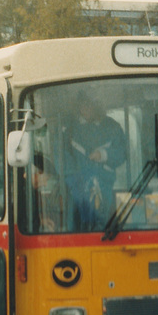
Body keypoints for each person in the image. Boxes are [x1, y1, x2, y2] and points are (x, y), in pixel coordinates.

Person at [64, 94, 126, 231]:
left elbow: (122, 152)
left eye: (90, 104)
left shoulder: (112, 128)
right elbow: (62, 159)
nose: (86, 108)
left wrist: (103, 155)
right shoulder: (70, 130)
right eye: (83, 104)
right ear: (78, 107)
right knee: (76, 225)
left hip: (104, 184)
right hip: (77, 187)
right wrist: (74, 176)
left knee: (103, 225)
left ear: (97, 106)